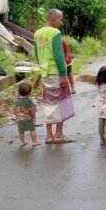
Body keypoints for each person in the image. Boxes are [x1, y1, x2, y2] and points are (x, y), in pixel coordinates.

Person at [34, 8, 75, 144]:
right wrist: (64, 75)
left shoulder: (37, 33)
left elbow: (37, 55)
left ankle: (49, 136)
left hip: (45, 73)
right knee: (62, 102)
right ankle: (59, 135)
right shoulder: (55, 33)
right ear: (53, 19)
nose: (61, 22)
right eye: (60, 19)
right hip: (56, 73)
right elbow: (58, 56)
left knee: (48, 102)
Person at [14, 82, 40, 147]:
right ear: (29, 93)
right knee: (32, 130)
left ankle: (22, 142)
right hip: (28, 118)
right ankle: (34, 142)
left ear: (19, 92)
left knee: (21, 131)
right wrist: (34, 118)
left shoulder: (17, 101)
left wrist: (16, 116)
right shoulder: (29, 101)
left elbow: (14, 110)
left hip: (19, 118)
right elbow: (32, 110)